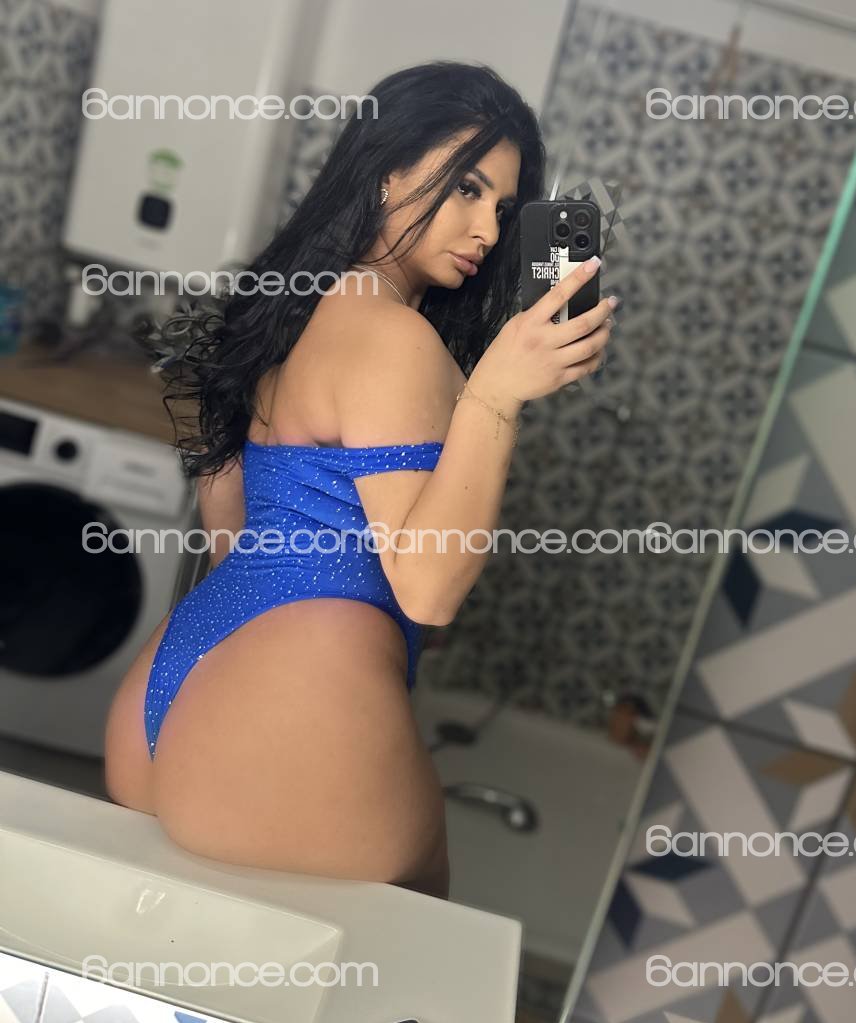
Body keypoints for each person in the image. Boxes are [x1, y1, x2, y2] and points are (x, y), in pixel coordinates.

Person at [104, 61, 615, 898]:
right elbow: (428, 591)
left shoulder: (287, 310)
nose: (487, 230)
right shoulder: (394, 339)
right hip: (298, 705)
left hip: (185, 672)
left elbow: (230, 534)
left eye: (502, 208)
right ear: (387, 171)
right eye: (466, 188)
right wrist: (495, 395)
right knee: (399, 965)